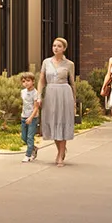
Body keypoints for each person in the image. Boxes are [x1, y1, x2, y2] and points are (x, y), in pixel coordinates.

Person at [39, 38, 78, 166]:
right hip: (50, 93)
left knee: (62, 122)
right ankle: (60, 149)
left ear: (64, 48)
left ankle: (60, 155)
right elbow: (41, 80)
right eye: (54, 45)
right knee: (52, 122)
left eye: (59, 46)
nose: (56, 48)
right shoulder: (46, 62)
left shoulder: (69, 64)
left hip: (64, 93)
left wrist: (74, 102)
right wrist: (39, 95)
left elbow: (72, 84)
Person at [18, 71, 42, 162]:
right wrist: (22, 115)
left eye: (28, 81)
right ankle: (34, 148)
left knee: (29, 137)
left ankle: (28, 155)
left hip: (32, 118)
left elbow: (36, 107)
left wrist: (31, 117)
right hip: (24, 117)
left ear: (33, 81)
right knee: (23, 137)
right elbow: (24, 104)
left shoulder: (35, 93)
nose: (26, 83)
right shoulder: (22, 92)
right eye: (23, 81)